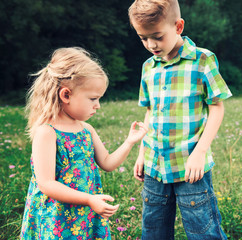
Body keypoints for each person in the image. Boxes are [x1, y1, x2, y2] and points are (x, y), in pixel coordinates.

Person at [128, 0, 232, 239]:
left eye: (157, 36)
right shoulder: (148, 68)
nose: (151, 45)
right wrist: (142, 153)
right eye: (143, 38)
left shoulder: (202, 60)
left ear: (178, 26)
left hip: (190, 166)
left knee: (202, 230)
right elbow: (150, 111)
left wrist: (200, 151)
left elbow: (216, 107)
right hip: (155, 165)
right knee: (153, 230)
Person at [20, 47, 148, 239]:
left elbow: (107, 162)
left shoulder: (86, 130)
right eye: (93, 99)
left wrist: (129, 142)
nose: (97, 105)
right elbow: (46, 184)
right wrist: (88, 199)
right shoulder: (47, 132)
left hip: (83, 214)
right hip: (56, 217)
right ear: (66, 95)